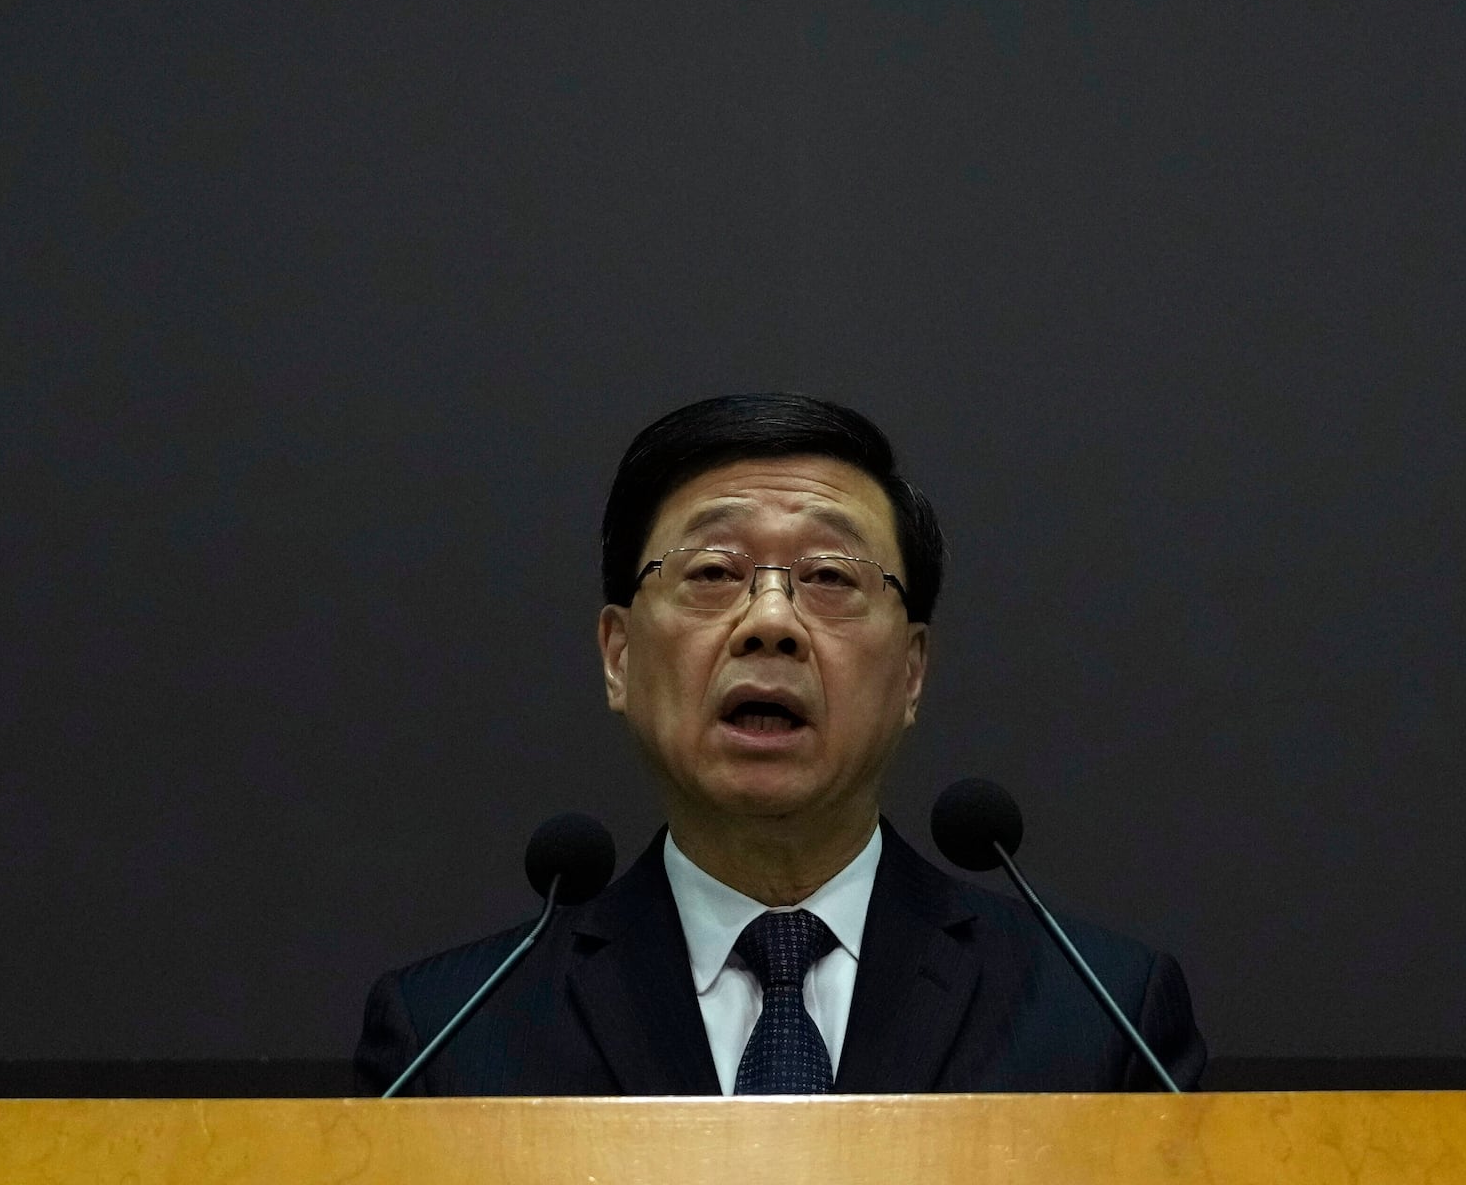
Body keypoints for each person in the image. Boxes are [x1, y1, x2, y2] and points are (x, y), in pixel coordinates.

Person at [351, 393, 1207, 1095]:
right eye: (712, 573)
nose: (770, 622)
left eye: (831, 576)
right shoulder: (452, 1040)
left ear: (912, 670)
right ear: (619, 657)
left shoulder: (1097, 1019)